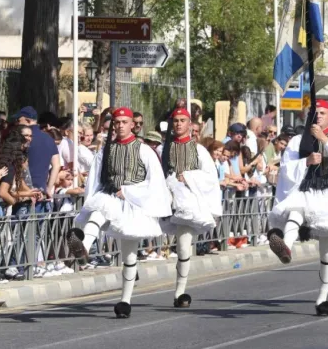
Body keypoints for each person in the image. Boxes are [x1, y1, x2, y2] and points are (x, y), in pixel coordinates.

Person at [67, 107, 172, 319]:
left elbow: (154, 181)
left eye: (124, 122)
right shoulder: (105, 150)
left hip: (133, 202)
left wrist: (132, 194)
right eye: (117, 122)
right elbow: (95, 176)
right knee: (99, 210)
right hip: (110, 196)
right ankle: (83, 249)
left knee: (129, 255)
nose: (120, 126)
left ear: (132, 124)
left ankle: (125, 300)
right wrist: (92, 197)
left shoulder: (144, 150)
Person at [266, 99, 328, 316]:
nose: (319, 116)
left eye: (323, 113)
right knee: (295, 209)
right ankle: (286, 246)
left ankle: (322, 298)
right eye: (315, 113)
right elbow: (285, 168)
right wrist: (306, 162)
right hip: (305, 190)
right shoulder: (297, 141)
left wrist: (326, 142)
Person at [159, 106, 222, 308]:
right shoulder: (163, 149)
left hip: (188, 204)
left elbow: (211, 178)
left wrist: (188, 176)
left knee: (184, 247)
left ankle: (180, 292)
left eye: (182, 120)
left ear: (189, 124)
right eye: (175, 120)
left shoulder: (199, 150)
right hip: (169, 202)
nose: (178, 124)